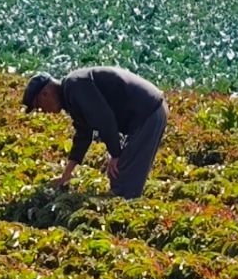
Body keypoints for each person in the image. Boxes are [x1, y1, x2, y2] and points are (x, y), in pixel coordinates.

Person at [22, 66, 168, 199]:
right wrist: (66, 175)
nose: (44, 112)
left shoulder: (75, 85)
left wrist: (116, 154)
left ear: (45, 94)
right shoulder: (70, 94)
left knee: (123, 183)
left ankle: (127, 218)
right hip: (145, 114)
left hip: (148, 112)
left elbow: (105, 119)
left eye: (39, 106)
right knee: (119, 177)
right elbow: (83, 134)